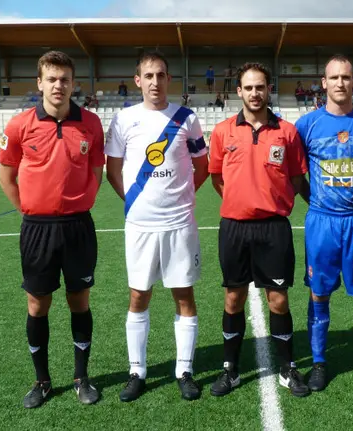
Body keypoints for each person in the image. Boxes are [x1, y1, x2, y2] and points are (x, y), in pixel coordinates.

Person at [0, 51, 105, 408]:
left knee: (79, 300)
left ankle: (81, 377)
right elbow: (7, 178)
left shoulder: (91, 124)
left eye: (65, 79)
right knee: (37, 303)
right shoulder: (19, 125)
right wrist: (30, 211)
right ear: (40, 83)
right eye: (52, 79)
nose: (59, 85)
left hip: (78, 226)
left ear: (74, 84)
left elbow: (96, 171)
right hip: (37, 229)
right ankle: (42, 381)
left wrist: (80, 202)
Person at [105, 50, 210, 402]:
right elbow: (113, 171)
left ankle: (184, 370)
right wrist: (134, 202)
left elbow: (202, 167)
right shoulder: (124, 120)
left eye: (160, 75)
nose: (155, 82)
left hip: (180, 224)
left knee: (183, 294)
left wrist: (182, 197)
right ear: (138, 81)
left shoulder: (187, 119)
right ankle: (137, 371)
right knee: (139, 295)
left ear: (169, 79)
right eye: (148, 76)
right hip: (140, 226)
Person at [208, 62, 310, 398]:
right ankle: (230, 369)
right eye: (248, 87)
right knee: (233, 298)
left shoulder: (287, 132)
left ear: (269, 89)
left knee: (278, 300)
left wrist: (270, 201)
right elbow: (217, 178)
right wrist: (242, 202)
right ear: (239, 91)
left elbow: (296, 178)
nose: (255, 93)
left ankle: (287, 368)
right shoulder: (223, 131)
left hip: (273, 229)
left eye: (260, 87)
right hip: (234, 228)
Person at [295, 54, 353, 394]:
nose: (340, 83)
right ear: (324, 83)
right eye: (334, 77)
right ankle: (319, 363)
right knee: (318, 293)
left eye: (346, 77)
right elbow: (297, 176)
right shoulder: (306, 125)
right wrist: (317, 204)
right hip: (322, 222)